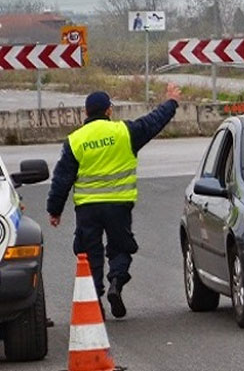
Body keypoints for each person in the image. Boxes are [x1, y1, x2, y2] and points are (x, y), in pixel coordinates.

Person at [47, 83, 182, 318]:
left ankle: (95, 300)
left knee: (90, 253)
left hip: (87, 208)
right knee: (120, 248)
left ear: (86, 112)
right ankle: (116, 283)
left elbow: (61, 178)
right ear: (109, 110)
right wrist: (171, 102)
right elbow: (153, 122)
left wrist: (54, 210)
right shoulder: (124, 132)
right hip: (119, 205)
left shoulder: (75, 140)